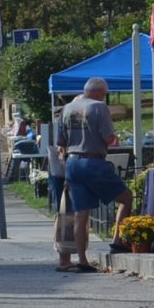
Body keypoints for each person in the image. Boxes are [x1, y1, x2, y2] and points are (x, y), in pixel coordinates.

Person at [55, 78, 123, 273]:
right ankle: (118, 241)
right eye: (104, 94)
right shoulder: (99, 107)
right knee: (125, 198)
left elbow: (61, 140)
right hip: (93, 161)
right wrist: (112, 137)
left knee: (80, 213)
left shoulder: (67, 108)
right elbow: (108, 137)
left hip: (73, 162)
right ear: (99, 93)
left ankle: (83, 260)